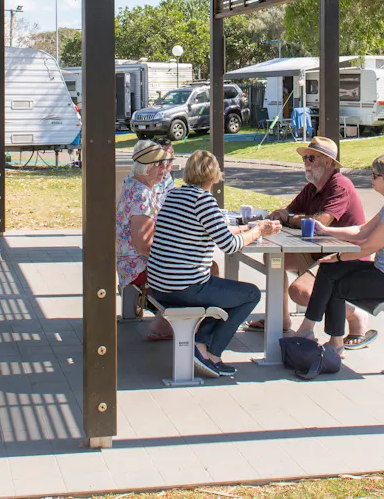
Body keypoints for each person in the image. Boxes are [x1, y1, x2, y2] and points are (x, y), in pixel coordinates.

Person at [147, 149, 280, 378]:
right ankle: (212, 352)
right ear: (214, 174)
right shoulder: (203, 200)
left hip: (160, 285)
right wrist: (257, 230)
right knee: (250, 294)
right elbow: (229, 245)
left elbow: (211, 229)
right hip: (184, 287)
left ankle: (202, 345)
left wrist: (244, 229)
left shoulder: (175, 196)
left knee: (227, 292)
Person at [294, 153, 384, 373]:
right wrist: (327, 230)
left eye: (376, 175)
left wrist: (337, 256)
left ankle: (329, 341)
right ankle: (312, 331)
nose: (371, 179)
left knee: (337, 284)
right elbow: (362, 230)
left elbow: (369, 246)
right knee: (328, 269)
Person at [255, 135, 375, 348]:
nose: (306, 164)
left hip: (346, 259)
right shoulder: (312, 187)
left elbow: (320, 223)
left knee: (300, 291)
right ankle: (280, 319)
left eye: (311, 158)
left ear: (328, 162)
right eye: (305, 159)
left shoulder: (340, 185)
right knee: (274, 258)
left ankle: (354, 314)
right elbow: (288, 210)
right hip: (319, 252)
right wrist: (280, 214)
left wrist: (290, 219)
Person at [116, 139, 176, 340]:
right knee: (201, 270)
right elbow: (143, 246)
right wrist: (176, 254)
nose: (164, 169)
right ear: (146, 167)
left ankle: (166, 321)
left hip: (134, 262)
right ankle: (170, 325)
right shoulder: (141, 195)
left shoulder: (137, 185)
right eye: (158, 164)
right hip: (137, 266)